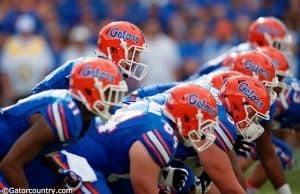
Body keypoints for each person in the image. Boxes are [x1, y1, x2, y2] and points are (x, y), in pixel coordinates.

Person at [1, 83, 220, 194]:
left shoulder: (156, 113)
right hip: (83, 162)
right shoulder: (162, 134)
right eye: (204, 122)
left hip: (86, 158)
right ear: (187, 116)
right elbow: (144, 188)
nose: (205, 131)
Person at [0, 57, 128, 188]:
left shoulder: (84, 117)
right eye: (109, 93)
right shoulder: (66, 113)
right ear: (90, 90)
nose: (113, 101)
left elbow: (39, 148)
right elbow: (10, 164)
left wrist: (59, 171)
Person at [32, 20, 148, 94]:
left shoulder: (110, 74)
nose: (138, 60)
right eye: (135, 53)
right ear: (116, 50)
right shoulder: (86, 70)